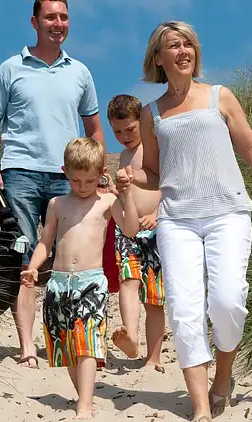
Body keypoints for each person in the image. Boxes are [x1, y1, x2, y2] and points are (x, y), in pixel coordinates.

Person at [115, 21, 252, 422]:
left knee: (227, 300)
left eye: (188, 43)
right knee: (184, 310)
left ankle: (223, 375)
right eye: (174, 45)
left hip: (227, 213)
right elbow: (155, 173)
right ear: (159, 58)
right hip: (177, 221)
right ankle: (202, 407)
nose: (184, 50)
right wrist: (130, 177)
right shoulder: (152, 113)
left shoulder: (220, 97)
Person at [0, 0, 106, 369]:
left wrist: (100, 169)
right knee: (26, 256)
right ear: (35, 21)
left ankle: (69, 341)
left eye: (64, 17)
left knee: (67, 259)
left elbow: (94, 128)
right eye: (51, 17)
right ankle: (27, 347)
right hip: (19, 171)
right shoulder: (10, 68)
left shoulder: (80, 72)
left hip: (70, 176)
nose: (58, 23)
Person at [20, 137, 138, 419]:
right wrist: (34, 267)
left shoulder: (107, 201)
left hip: (91, 283)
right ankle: (81, 397)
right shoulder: (57, 204)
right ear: (65, 172)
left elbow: (131, 229)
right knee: (68, 347)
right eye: (75, 180)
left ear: (101, 175)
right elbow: (45, 242)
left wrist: (127, 195)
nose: (82, 186)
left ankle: (86, 404)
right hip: (58, 284)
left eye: (89, 180)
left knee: (87, 343)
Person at [106, 94, 167, 373]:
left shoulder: (154, 148)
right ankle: (130, 336)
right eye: (117, 131)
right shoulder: (123, 156)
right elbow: (126, 192)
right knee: (128, 281)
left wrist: (157, 214)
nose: (124, 136)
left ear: (142, 124)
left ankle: (153, 356)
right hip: (127, 229)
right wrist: (112, 191)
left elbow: (168, 183)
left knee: (154, 297)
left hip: (153, 229)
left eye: (129, 129)